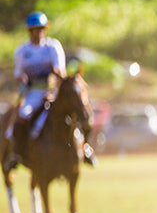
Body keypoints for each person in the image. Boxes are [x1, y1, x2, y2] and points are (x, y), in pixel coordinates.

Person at [4, 12, 95, 172]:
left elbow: (59, 70)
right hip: (32, 92)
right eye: (35, 29)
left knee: (79, 112)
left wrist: (55, 86)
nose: (39, 32)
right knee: (22, 117)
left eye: (41, 29)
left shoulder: (52, 46)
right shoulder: (22, 51)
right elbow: (18, 74)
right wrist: (24, 80)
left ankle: (85, 148)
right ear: (30, 31)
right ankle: (16, 154)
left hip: (52, 91)